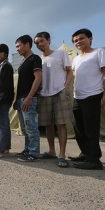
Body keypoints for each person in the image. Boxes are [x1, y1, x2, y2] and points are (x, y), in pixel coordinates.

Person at [69, 28, 105, 170]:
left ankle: (94, 161)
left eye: (81, 38)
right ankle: (86, 153)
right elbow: (75, 73)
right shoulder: (76, 59)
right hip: (78, 96)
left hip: (93, 95)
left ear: (90, 38)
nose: (78, 42)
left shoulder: (98, 53)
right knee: (78, 129)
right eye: (75, 40)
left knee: (91, 129)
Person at [34, 32, 74, 167]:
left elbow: (70, 71)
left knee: (61, 124)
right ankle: (52, 151)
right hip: (44, 94)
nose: (39, 44)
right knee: (48, 125)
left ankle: (62, 155)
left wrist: (66, 86)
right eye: (37, 43)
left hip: (59, 92)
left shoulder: (61, 53)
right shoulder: (38, 59)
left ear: (48, 40)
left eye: (41, 41)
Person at [14, 35, 42, 161]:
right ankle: (27, 149)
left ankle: (34, 153)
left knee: (31, 126)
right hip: (21, 98)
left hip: (29, 98)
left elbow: (38, 78)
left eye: (19, 46)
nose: (17, 49)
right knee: (25, 127)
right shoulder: (23, 62)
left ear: (27, 44)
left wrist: (29, 97)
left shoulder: (34, 58)